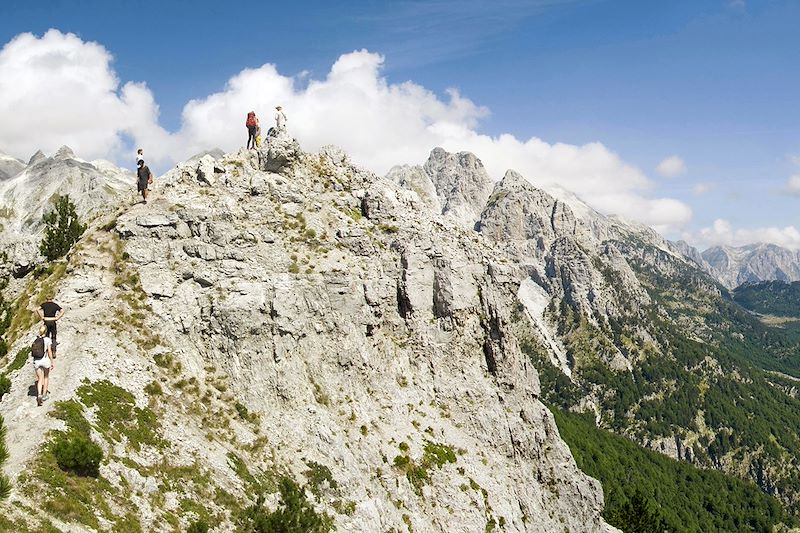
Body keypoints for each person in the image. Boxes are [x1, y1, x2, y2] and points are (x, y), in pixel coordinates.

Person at [31, 325, 54, 406]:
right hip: (45, 360)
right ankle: (44, 395)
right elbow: (50, 352)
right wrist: (52, 361)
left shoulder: (36, 339)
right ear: (46, 331)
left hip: (37, 361)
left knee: (39, 379)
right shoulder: (48, 340)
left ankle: (39, 395)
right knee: (46, 377)